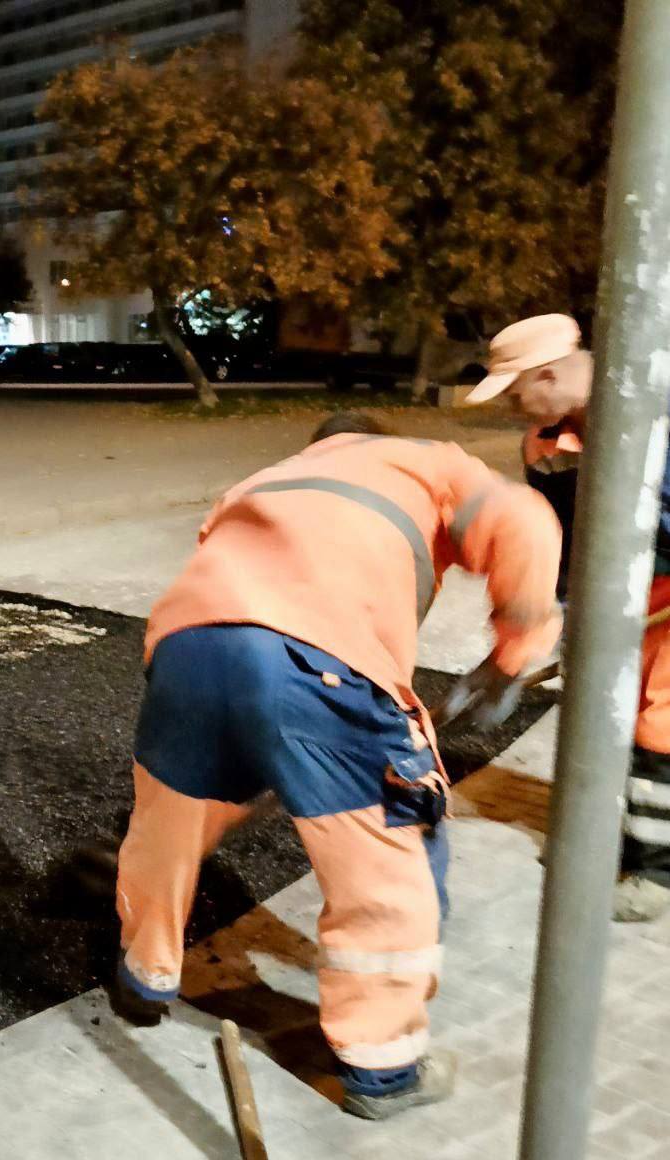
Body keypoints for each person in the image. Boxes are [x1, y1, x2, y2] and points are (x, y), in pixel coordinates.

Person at [113, 413, 561, 1120]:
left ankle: (144, 975)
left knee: (168, 824)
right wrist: (515, 650)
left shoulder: (260, 480)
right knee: (389, 854)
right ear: (372, 436)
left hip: (186, 649)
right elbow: (525, 518)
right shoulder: (426, 462)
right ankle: (382, 1069)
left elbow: (239, 603)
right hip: (320, 664)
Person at [464, 314, 670, 922]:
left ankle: (657, 872)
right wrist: (549, 621)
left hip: (665, 595)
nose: (512, 408)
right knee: (607, 715)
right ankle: (609, 840)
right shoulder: (544, 443)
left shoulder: (651, 408)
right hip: (618, 599)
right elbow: (557, 540)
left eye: (516, 391)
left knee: (659, 725)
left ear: (549, 374)